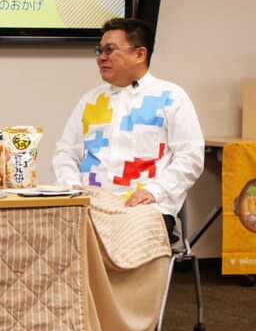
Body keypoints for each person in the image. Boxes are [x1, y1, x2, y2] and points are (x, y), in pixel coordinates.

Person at [52, 17, 204, 240]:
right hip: (89, 202)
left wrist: (155, 191)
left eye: (110, 49)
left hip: (145, 206)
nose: (101, 58)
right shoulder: (91, 100)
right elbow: (65, 153)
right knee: (46, 228)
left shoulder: (171, 97)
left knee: (122, 235)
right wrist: (71, 185)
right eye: (99, 50)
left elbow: (190, 157)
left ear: (140, 54)